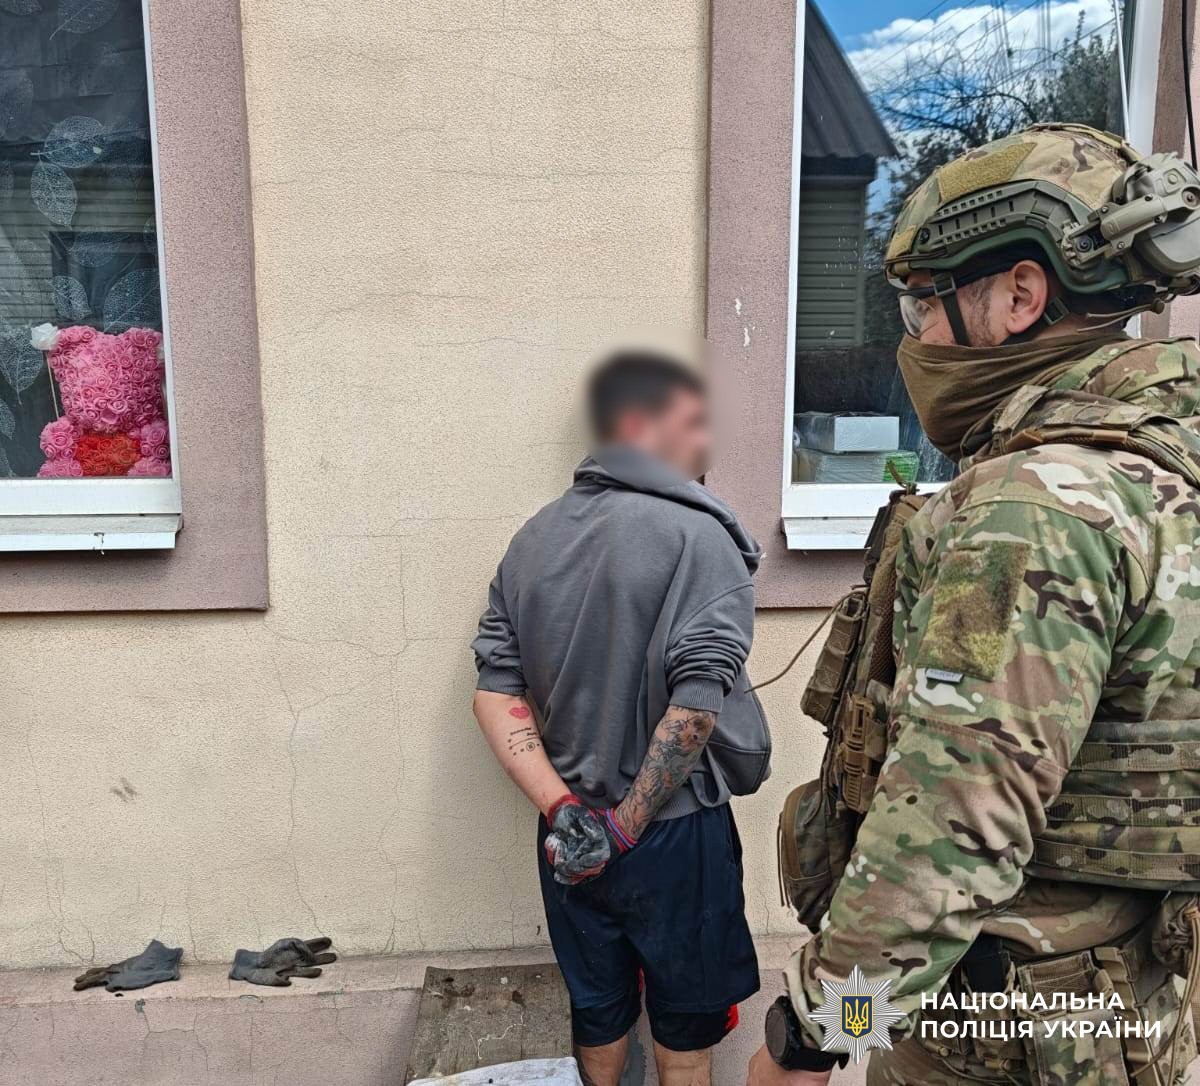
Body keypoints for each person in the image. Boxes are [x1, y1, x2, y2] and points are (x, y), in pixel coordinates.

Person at [748, 123, 1200, 1085]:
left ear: (1019, 297)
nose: (915, 337)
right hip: (1123, 1016)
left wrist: (817, 1035)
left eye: (924, 304)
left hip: (1004, 1034)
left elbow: (946, 841)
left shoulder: (1037, 506)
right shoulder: (1166, 466)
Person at [472, 348, 771, 1086]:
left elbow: (495, 691)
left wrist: (568, 813)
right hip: (673, 835)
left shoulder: (531, 541)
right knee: (684, 1035)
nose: (706, 443)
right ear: (636, 424)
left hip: (568, 837)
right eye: (692, 423)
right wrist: (625, 828)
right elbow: (695, 708)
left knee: (598, 1012)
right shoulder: (701, 537)